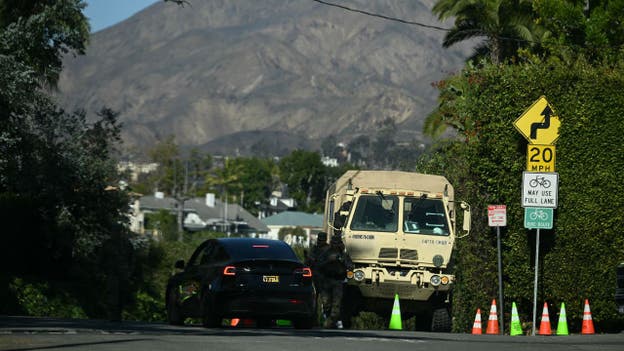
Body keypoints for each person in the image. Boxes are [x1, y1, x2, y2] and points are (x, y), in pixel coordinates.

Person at [317, 234, 352, 329]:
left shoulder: (343, 255)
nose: (335, 245)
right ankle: (329, 319)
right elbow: (319, 265)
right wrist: (328, 261)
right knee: (326, 304)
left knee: (336, 305)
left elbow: (350, 267)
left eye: (337, 243)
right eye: (334, 243)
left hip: (338, 281)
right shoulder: (326, 254)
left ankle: (331, 322)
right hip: (327, 281)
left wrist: (342, 262)